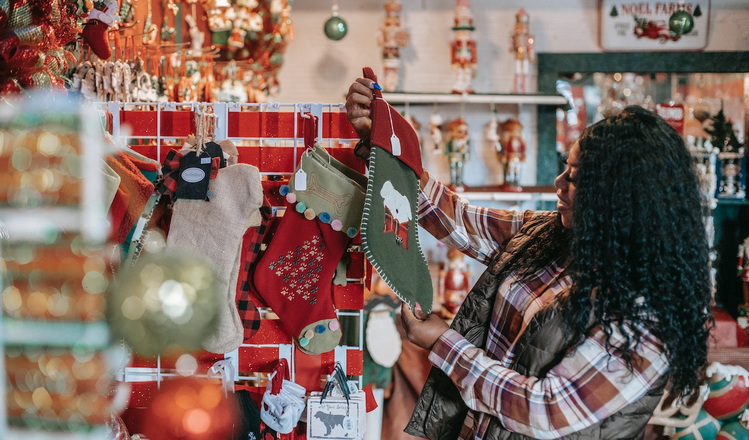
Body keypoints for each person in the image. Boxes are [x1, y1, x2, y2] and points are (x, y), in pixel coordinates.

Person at [345, 76, 713, 439]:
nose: (559, 182)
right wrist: (381, 138)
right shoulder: (551, 235)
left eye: (577, 178)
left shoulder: (646, 318)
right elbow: (457, 219)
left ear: (623, 199)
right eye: (565, 168)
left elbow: (546, 410)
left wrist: (444, 344)